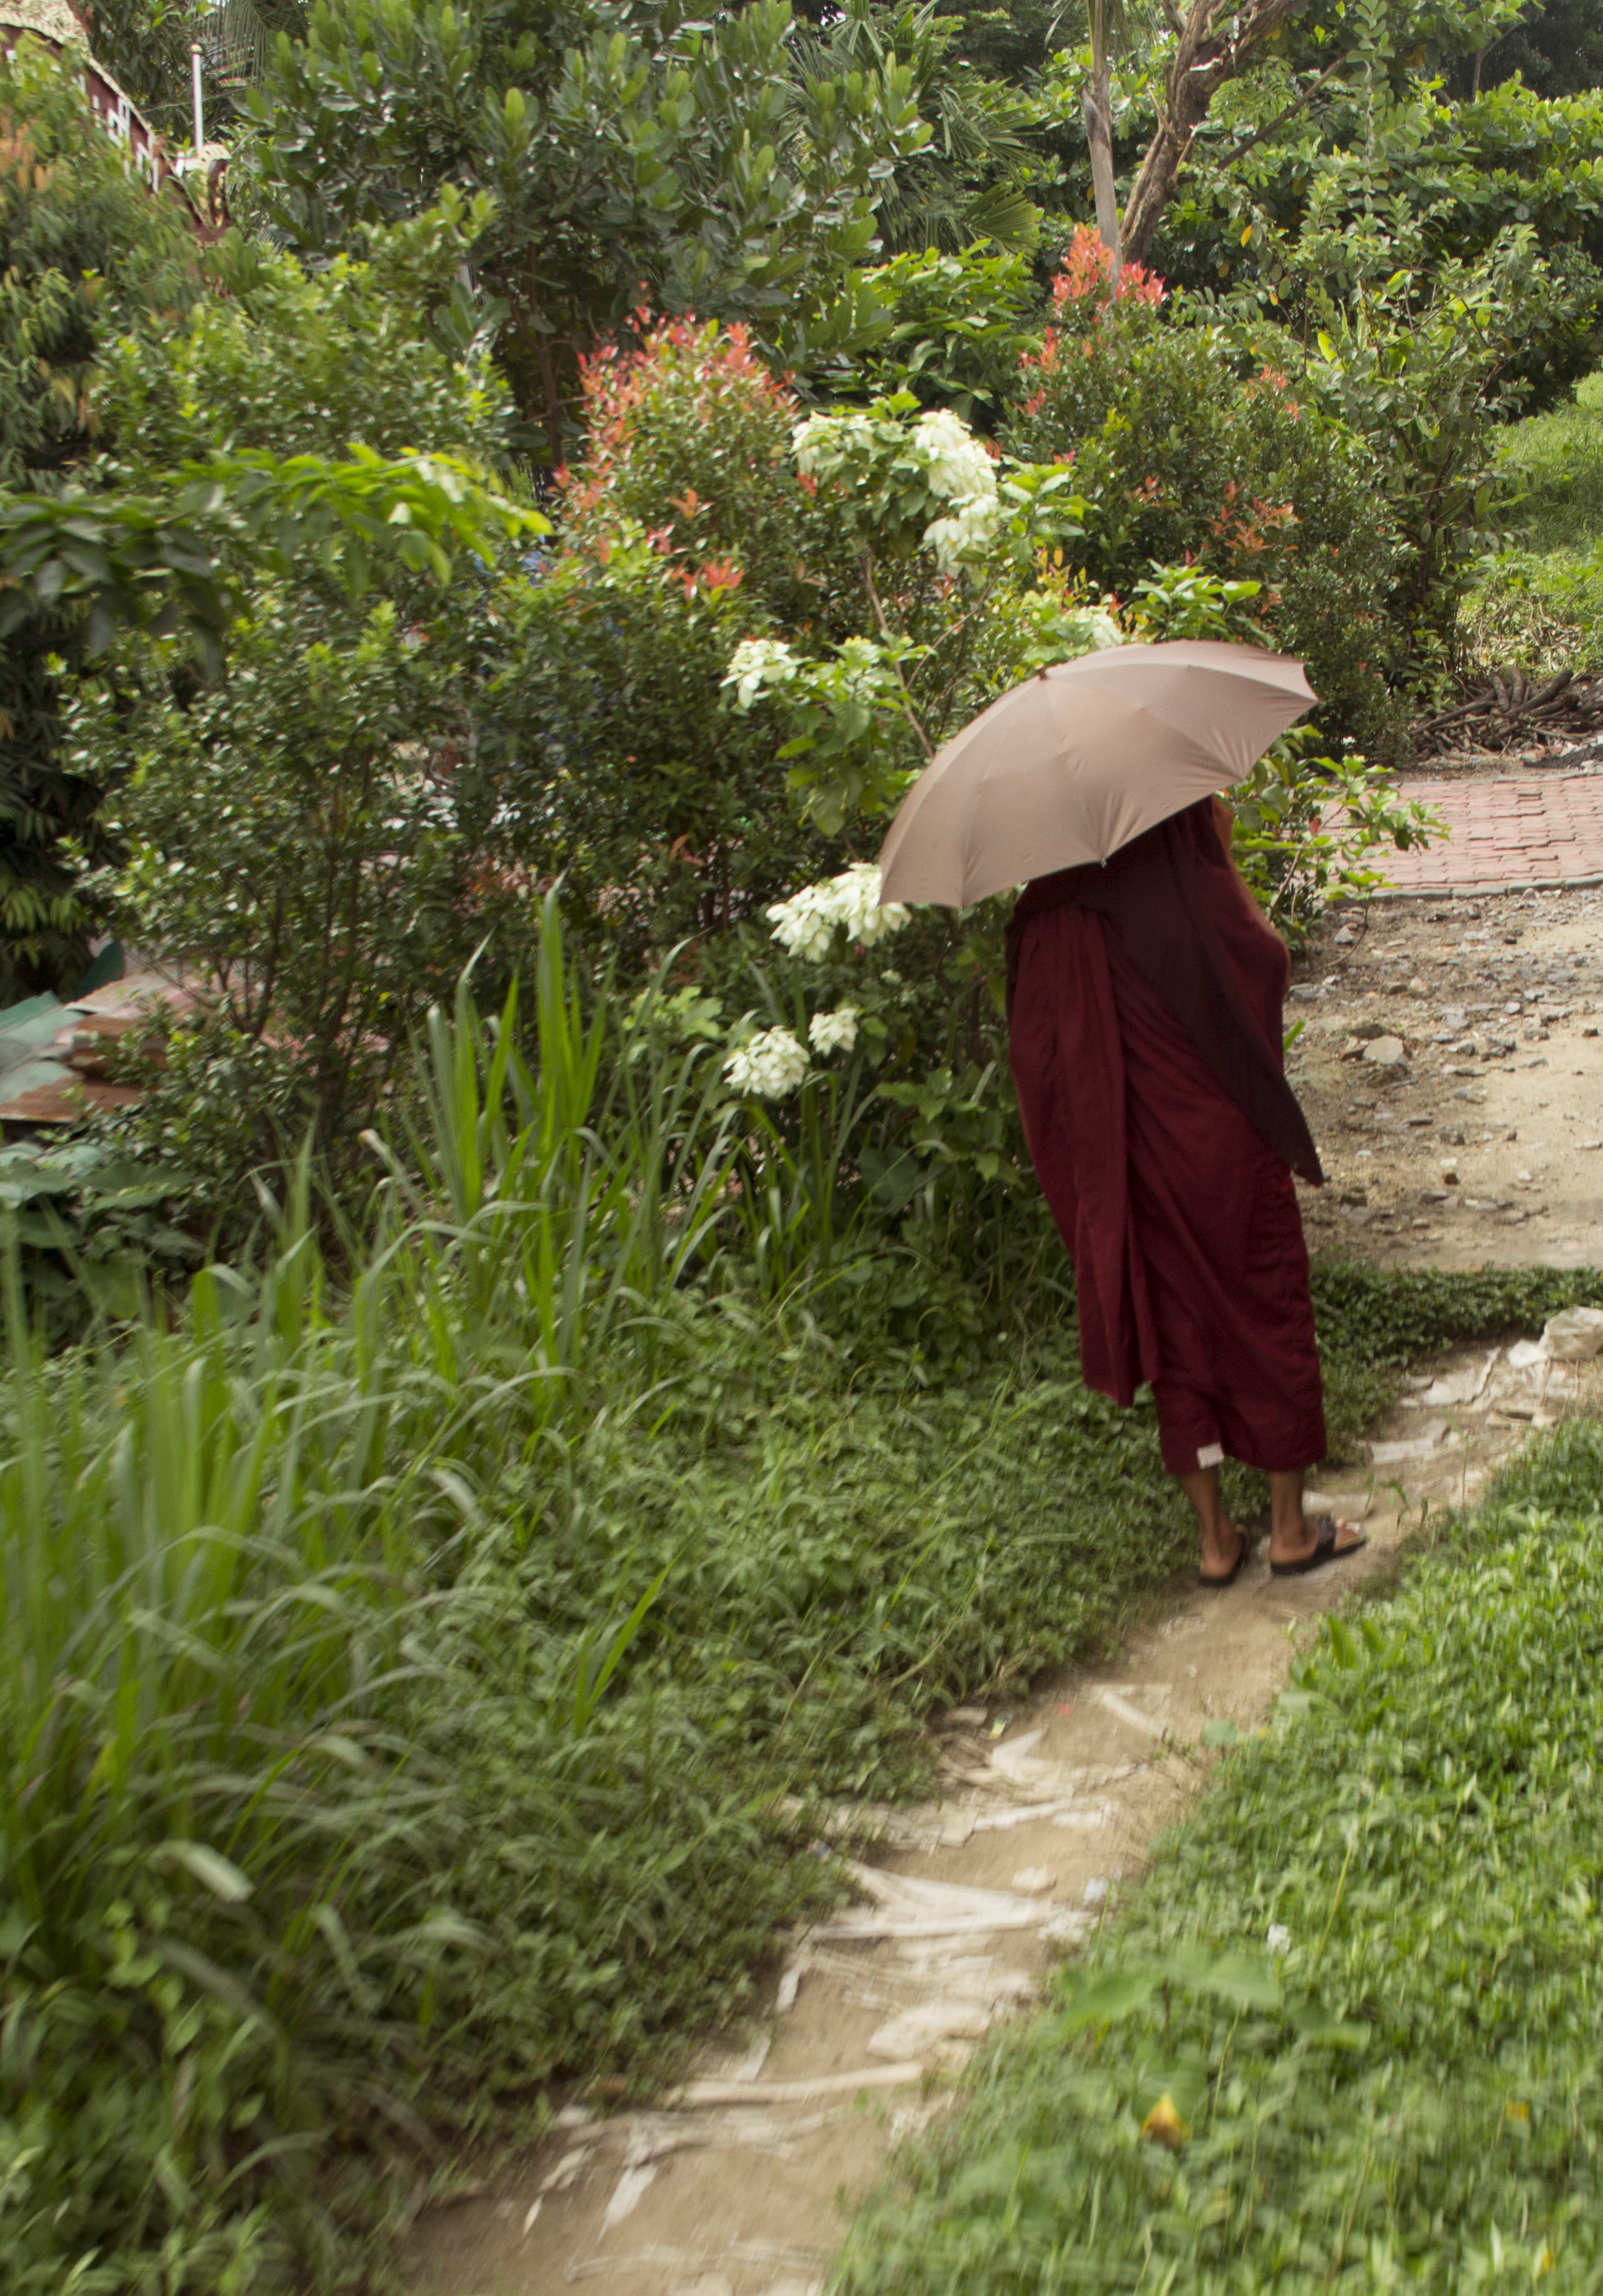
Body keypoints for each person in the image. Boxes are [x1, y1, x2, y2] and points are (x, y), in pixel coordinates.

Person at [1006, 793, 1364, 1587]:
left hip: (1122, 1165)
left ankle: (1214, 1542)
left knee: (1174, 1332)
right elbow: (1260, 962)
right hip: (1218, 1148)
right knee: (1263, 1309)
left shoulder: (1043, 905)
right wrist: (1226, 855)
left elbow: (1038, 1063)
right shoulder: (1174, 847)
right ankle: (1289, 1531)